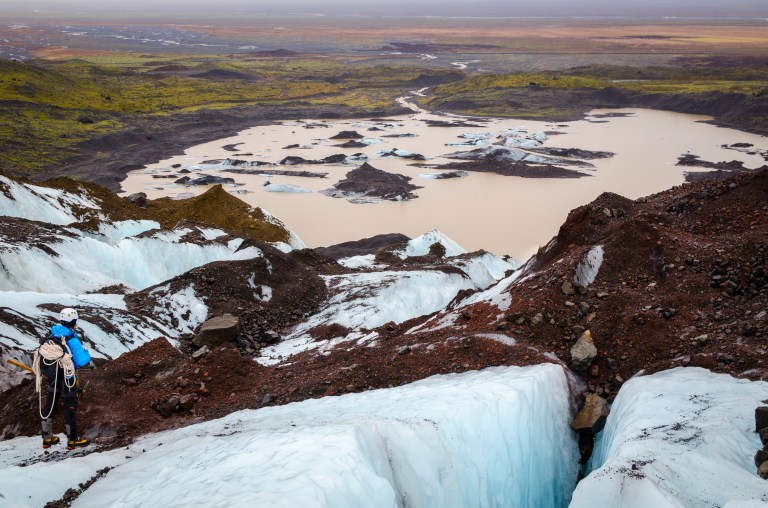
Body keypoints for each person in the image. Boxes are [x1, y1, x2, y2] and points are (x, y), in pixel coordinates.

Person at [39, 307, 92, 450]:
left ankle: (47, 438)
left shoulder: (52, 334)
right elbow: (81, 361)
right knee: (70, 406)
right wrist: (87, 353)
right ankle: (72, 441)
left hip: (53, 376)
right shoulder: (72, 338)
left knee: (50, 405)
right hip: (68, 377)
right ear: (74, 321)